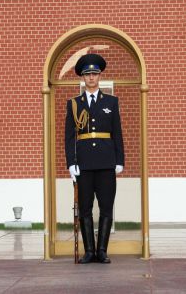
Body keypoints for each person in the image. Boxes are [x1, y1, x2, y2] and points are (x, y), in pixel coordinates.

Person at [64, 53, 124, 264]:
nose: (91, 78)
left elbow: (117, 132)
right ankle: (89, 251)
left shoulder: (111, 101)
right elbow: (69, 136)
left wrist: (119, 160)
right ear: (82, 77)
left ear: (100, 77)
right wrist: (71, 163)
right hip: (85, 164)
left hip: (107, 162)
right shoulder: (74, 104)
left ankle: (102, 251)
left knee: (107, 206)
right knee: (86, 208)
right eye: (87, 74)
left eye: (95, 74)